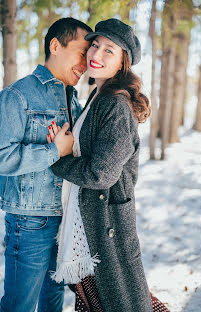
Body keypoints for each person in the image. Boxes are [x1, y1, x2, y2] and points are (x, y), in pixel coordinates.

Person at [47, 18, 153, 311]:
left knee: (119, 302)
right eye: (95, 45)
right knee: (97, 302)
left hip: (108, 225)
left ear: (122, 63)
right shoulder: (97, 96)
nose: (95, 55)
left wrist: (59, 159)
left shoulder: (115, 104)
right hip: (92, 220)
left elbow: (101, 173)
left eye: (109, 50)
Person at [0, 17, 92, 312]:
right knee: (19, 306)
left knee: (53, 305)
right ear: (56, 45)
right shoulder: (18, 95)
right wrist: (53, 150)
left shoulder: (73, 100)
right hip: (30, 224)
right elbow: (3, 157)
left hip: (65, 221)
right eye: (82, 52)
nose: (87, 62)